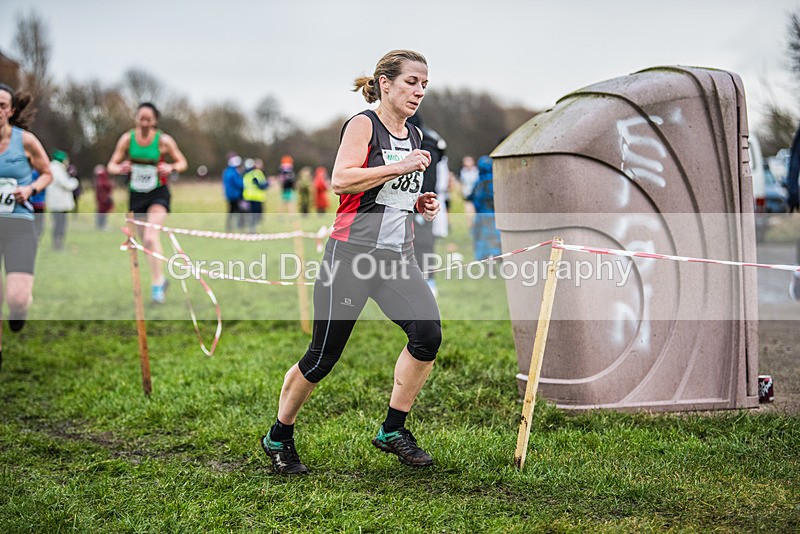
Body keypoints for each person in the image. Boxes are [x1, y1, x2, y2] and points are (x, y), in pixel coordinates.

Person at [261, 50, 441, 474]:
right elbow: (342, 180)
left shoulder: (414, 135)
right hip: (352, 258)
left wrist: (417, 201)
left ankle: (393, 430)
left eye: (424, 85)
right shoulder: (364, 125)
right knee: (322, 357)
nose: (419, 91)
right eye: (411, 82)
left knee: (427, 335)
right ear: (384, 83)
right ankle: (278, 436)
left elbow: (385, 193)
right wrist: (403, 166)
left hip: (397, 259)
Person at [107, 102, 188, 304]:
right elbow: (111, 165)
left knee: (152, 237)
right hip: (137, 195)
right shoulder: (127, 139)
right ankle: (160, 279)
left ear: (155, 121)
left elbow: (182, 163)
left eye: (149, 119)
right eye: (141, 118)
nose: (144, 122)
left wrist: (170, 168)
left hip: (158, 193)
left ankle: (156, 287)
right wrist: (120, 168)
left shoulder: (163, 141)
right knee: (146, 243)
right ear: (136, 119)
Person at [0, 83, 53, 369]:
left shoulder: (26, 141)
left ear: (11, 110)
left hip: (20, 223)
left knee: (17, 298)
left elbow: (47, 174)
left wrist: (30, 189)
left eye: (1, 105)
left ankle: (18, 313)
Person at [406, 112, 447, 296]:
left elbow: (428, 176)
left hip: (423, 198)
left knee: (423, 241)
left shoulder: (426, 141)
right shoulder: (431, 137)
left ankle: (428, 282)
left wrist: (423, 197)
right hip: (417, 198)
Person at [471, 155, 502, 260]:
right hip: (495, 215)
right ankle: (498, 255)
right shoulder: (497, 181)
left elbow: (473, 197)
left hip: (481, 215)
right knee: (496, 237)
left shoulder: (478, 182)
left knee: (481, 237)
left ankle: (483, 258)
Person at [48, 150, 79, 251]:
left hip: (58, 202)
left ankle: (58, 243)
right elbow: (65, 183)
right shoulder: (56, 169)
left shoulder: (55, 168)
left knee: (59, 223)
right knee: (59, 224)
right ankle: (57, 244)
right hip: (59, 203)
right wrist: (74, 182)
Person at [242, 158, 268, 233]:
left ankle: (251, 229)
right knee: (255, 215)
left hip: (249, 197)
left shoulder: (247, 174)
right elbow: (262, 185)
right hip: (255, 198)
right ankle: (252, 229)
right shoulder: (256, 174)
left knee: (252, 215)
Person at [223, 155, 244, 232]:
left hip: (229, 195)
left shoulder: (226, 172)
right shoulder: (234, 173)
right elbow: (239, 183)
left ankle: (229, 226)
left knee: (231, 211)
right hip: (235, 195)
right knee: (238, 211)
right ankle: (239, 226)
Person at [93, 164, 114, 230]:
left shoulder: (99, 179)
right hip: (103, 199)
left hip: (102, 198)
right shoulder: (102, 179)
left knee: (102, 212)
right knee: (102, 212)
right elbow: (107, 186)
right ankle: (102, 225)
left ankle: (101, 225)